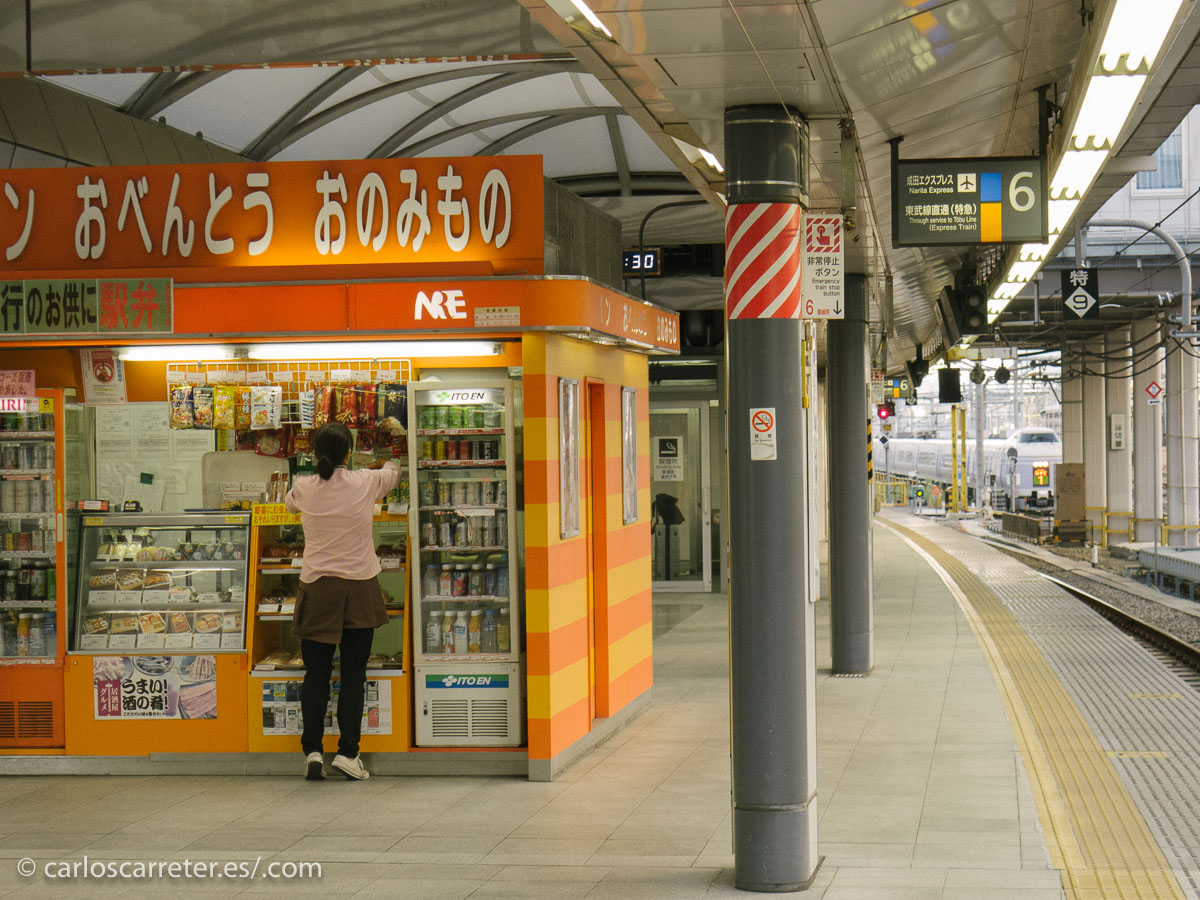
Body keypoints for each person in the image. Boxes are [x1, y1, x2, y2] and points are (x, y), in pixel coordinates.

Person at [284, 422, 400, 781]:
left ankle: (313, 751)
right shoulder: (365, 481)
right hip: (359, 588)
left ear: (314, 452)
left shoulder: (303, 487)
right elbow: (394, 472)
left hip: (317, 588)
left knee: (315, 674)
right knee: (353, 675)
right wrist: (391, 442)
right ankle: (348, 753)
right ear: (348, 453)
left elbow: (288, 506)